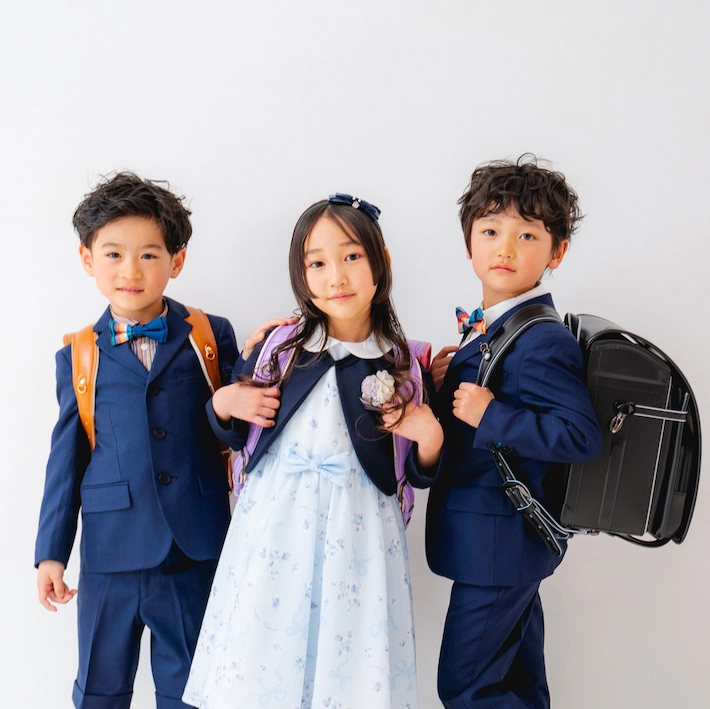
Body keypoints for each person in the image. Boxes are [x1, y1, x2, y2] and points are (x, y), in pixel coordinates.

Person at [182, 194, 444, 709]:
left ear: (381, 262)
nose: (336, 277)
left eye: (351, 257)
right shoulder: (280, 347)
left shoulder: (402, 364)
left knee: (346, 650)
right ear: (301, 276)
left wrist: (431, 438)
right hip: (277, 526)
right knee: (267, 644)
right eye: (317, 263)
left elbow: (416, 469)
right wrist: (223, 403)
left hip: (359, 529)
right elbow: (237, 434)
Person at [35, 172, 239, 709]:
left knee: (191, 691)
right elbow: (66, 458)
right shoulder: (78, 354)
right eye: (114, 254)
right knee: (99, 689)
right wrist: (51, 553)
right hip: (110, 554)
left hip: (194, 546)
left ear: (177, 261)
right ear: (87, 259)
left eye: (149, 255)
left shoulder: (210, 335)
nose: (131, 271)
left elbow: (239, 432)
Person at [426, 157, 603, 708]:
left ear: (556, 252)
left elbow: (581, 436)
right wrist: (443, 386)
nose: (505, 248)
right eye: (490, 231)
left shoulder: (541, 339)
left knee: (467, 687)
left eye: (527, 235)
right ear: (468, 243)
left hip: (499, 547)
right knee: (518, 684)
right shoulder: (497, 327)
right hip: (503, 547)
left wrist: (491, 415)